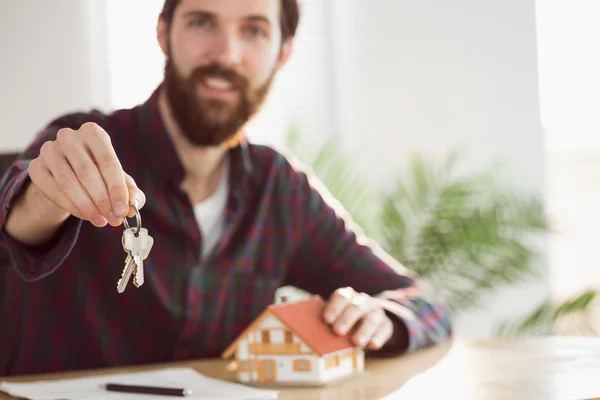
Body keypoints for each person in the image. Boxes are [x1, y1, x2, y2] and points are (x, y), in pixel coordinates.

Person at [0, 0, 452, 376]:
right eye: (202, 22)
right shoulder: (81, 143)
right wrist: (46, 196)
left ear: (283, 53)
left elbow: (424, 303)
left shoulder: (282, 190)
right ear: (164, 33)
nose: (226, 54)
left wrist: (382, 317)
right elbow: (16, 214)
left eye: (253, 31)